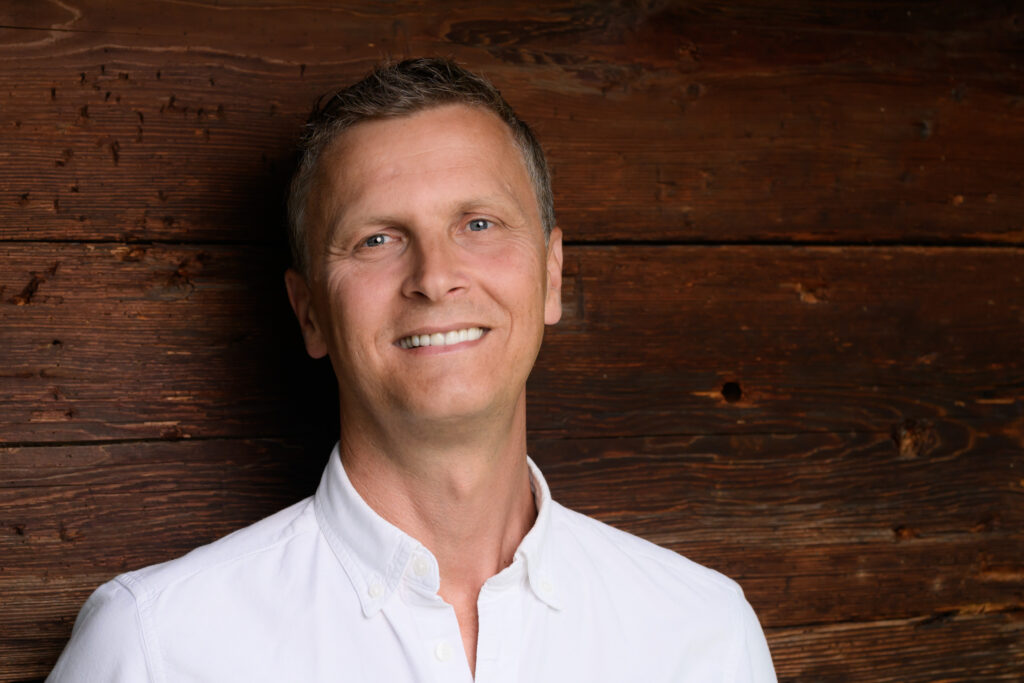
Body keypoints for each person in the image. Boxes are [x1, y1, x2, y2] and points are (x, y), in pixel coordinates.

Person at [48, 58, 776, 682]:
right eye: (375, 238)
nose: (435, 277)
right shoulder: (155, 647)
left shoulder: (703, 634)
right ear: (309, 313)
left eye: (479, 224)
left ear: (551, 274)